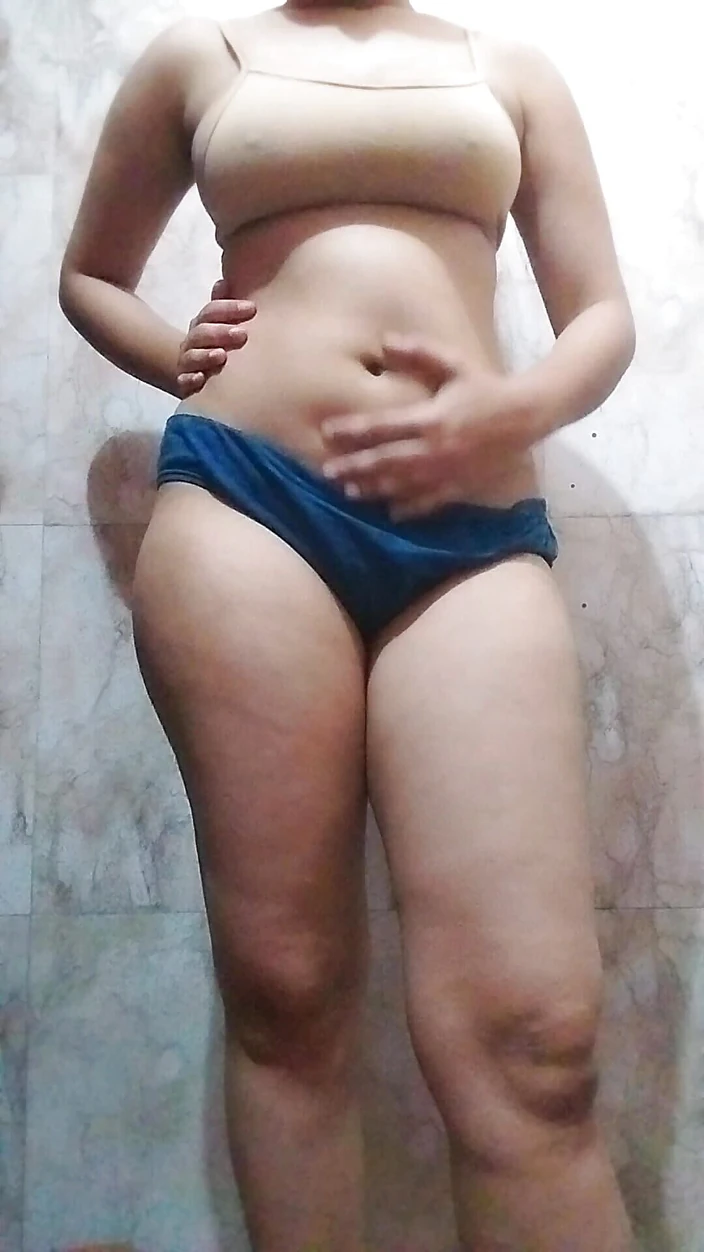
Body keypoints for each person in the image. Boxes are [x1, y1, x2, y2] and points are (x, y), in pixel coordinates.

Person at [58, 0, 636, 1248]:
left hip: (469, 535)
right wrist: (175, 354)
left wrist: (512, 407)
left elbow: (600, 315)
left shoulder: (506, 70)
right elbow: (88, 274)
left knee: (536, 1044)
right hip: (247, 511)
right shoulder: (197, 58)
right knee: (287, 993)